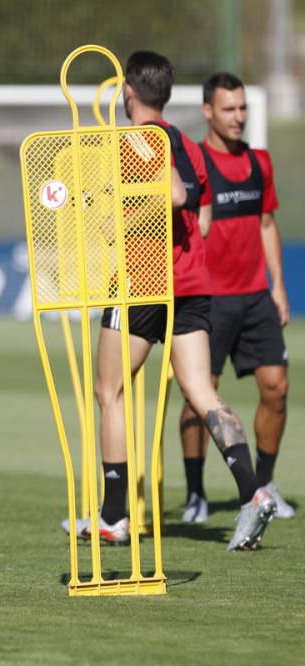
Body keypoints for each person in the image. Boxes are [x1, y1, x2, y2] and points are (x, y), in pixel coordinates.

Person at [62, 51, 277, 551]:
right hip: (191, 284)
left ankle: (113, 515)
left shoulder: (135, 141)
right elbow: (199, 220)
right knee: (202, 394)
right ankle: (254, 490)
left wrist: (124, 223)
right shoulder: (188, 144)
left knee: (108, 392)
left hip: (141, 284)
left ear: (129, 95)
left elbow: (179, 196)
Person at [177, 72, 293, 524]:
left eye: (243, 108)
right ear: (208, 111)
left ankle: (263, 484)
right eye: (229, 109)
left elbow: (266, 224)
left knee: (277, 389)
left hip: (256, 297)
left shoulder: (260, 163)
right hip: (208, 300)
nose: (239, 117)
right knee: (198, 398)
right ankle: (195, 494)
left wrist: (278, 285)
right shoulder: (196, 162)